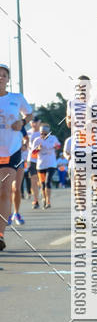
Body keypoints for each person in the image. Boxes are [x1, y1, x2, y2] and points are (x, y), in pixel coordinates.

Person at [0, 63, 32, 249]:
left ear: (8, 79)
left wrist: (22, 122)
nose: (0, 77)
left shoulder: (16, 98)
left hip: (10, 151)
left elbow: (29, 114)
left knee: (5, 190)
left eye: (4, 75)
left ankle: (1, 234)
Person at [30, 123, 61, 208]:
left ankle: (48, 201)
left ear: (48, 133)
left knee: (48, 182)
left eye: (45, 133)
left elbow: (58, 145)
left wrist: (56, 146)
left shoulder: (53, 138)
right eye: (41, 133)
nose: (43, 135)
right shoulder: (37, 140)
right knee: (43, 184)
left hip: (51, 164)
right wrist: (37, 149)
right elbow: (33, 153)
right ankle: (44, 198)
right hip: (41, 165)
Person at [26, 116, 42, 209]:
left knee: (41, 181)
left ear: (39, 122)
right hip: (31, 160)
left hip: (42, 160)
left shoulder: (42, 133)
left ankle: (43, 192)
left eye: (36, 122)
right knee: (33, 180)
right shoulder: (27, 133)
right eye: (33, 122)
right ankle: (35, 200)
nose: (34, 124)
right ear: (30, 123)